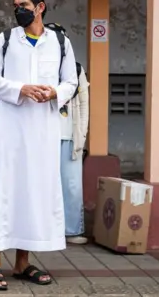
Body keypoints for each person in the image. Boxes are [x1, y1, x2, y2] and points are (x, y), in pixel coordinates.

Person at [0, 0, 78, 291]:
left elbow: (71, 82)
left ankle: (22, 263)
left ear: (40, 7)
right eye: (16, 5)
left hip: (42, 131)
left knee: (32, 192)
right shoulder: (5, 40)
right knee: (3, 189)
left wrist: (54, 92)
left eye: (24, 5)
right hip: (9, 128)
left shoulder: (60, 42)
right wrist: (20, 89)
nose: (18, 10)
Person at [60, 63, 90, 245]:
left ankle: (72, 230)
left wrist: (82, 134)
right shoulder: (40, 65)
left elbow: (84, 103)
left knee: (72, 185)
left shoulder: (76, 69)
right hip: (44, 136)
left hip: (70, 137)